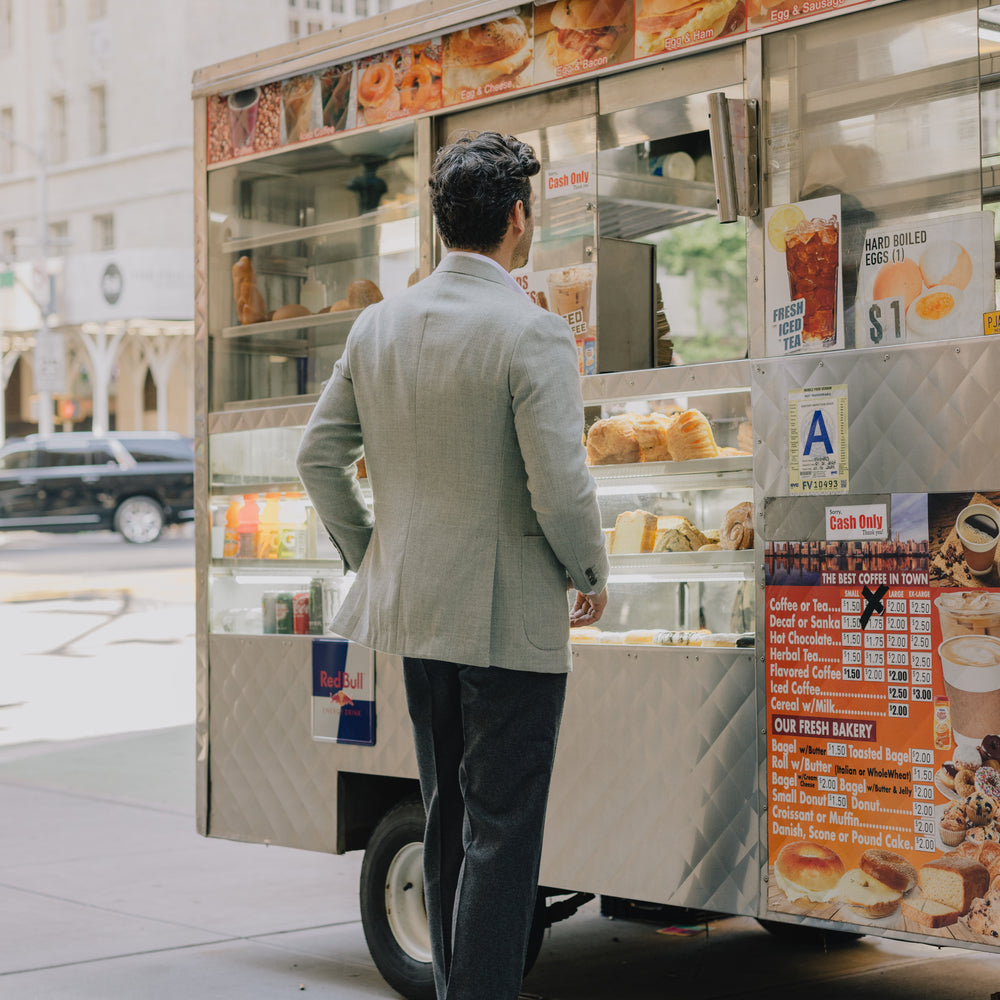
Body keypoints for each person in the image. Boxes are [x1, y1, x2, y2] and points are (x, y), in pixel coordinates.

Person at [296, 130, 609, 1000]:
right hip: (508, 622)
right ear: (519, 217)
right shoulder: (532, 331)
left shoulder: (378, 325)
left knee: (449, 821)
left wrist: (375, 555)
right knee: (504, 834)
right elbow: (560, 484)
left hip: (416, 617)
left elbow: (317, 458)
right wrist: (589, 572)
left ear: (443, 223)